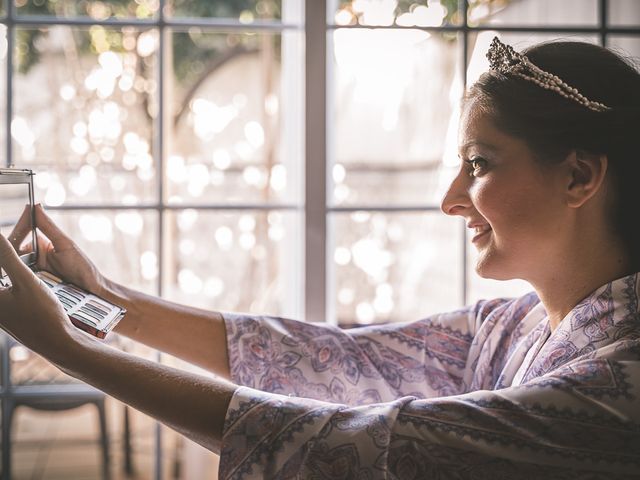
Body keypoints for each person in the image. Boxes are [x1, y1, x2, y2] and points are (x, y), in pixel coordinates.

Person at [1, 37, 639, 478]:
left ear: (579, 176)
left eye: (479, 165)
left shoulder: (619, 388)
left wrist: (69, 349)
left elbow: (351, 445)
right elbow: (330, 358)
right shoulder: (516, 323)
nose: (450, 200)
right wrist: (108, 299)